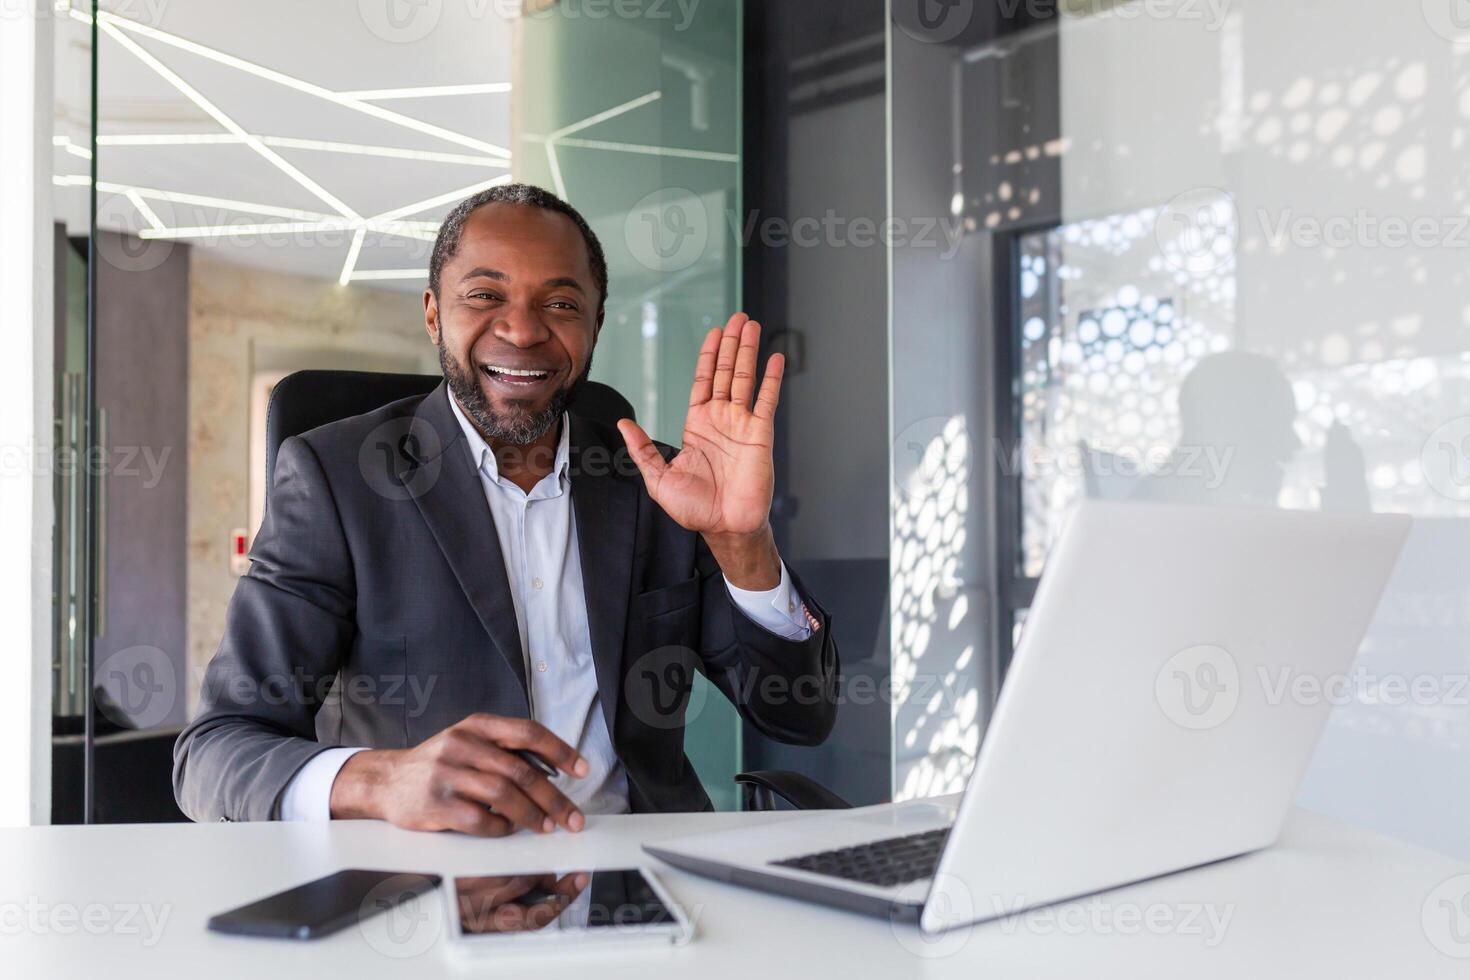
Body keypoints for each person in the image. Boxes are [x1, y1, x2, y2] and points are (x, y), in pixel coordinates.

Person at [173, 184, 839, 835]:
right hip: (429, 888)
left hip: (641, 880)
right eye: (486, 295)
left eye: (561, 302)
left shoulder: (664, 485)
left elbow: (800, 719)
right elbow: (214, 753)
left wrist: (740, 540)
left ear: (596, 324)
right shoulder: (338, 481)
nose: (522, 330)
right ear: (434, 313)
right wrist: (382, 781)